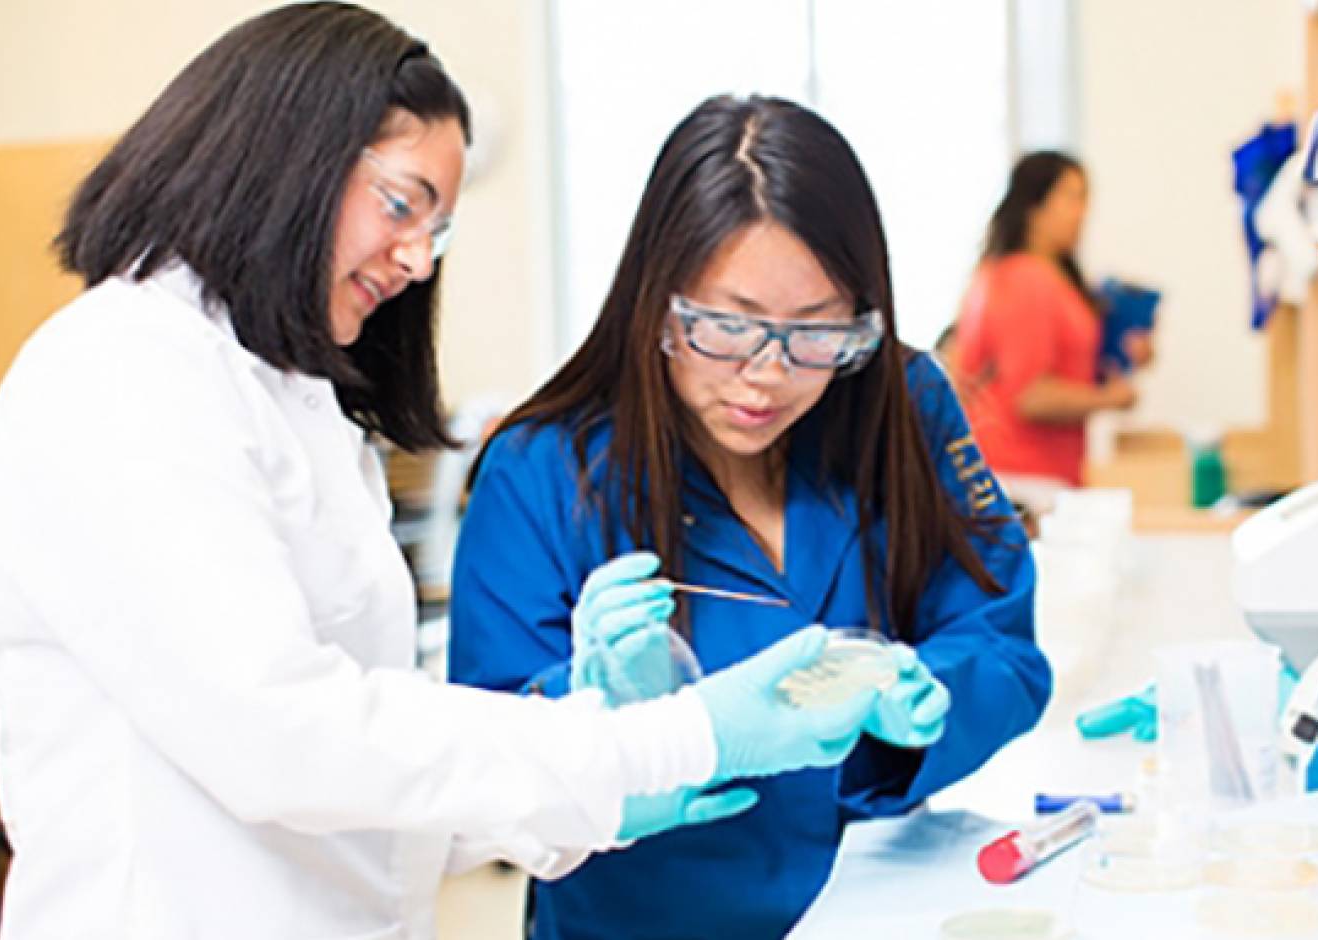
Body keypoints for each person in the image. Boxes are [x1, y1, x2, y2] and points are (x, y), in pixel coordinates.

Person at [0, 7, 875, 938]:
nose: (414, 261)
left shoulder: (294, 401)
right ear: (285, 156)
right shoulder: (122, 374)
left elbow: (373, 767)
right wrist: (668, 739)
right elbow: (280, 737)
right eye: (401, 204)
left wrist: (584, 786)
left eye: (435, 230)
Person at [449, 95, 1053, 940]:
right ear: (656, 302)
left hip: (878, 914)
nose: (767, 374)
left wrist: (918, 700)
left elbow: (1002, 642)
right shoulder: (542, 470)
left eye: (816, 331)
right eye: (727, 329)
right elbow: (484, 763)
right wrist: (591, 706)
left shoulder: (902, 407)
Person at [954, 152, 1154, 499]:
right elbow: (1031, 397)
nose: (1083, 212)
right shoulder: (1027, 280)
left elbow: (1060, 369)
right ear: (1035, 205)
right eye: (1072, 197)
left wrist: (1122, 354)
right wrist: (1111, 398)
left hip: (1030, 475)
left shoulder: (1023, 275)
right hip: (1023, 478)